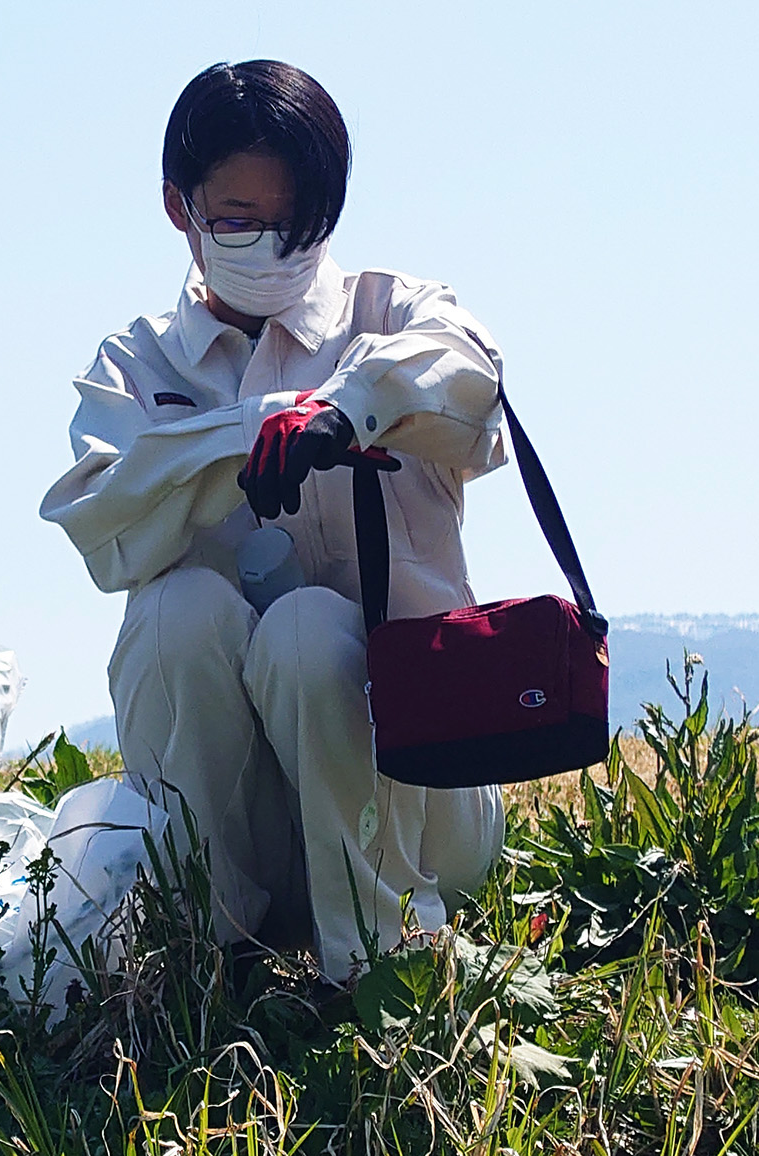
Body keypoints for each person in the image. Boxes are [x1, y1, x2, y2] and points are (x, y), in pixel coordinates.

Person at [40, 61, 507, 982]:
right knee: (176, 612)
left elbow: (471, 382)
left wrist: (347, 408)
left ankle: (381, 963)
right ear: (180, 209)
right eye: (239, 221)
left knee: (307, 632)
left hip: (417, 815)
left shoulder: (391, 313)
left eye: (297, 223)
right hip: (241, 827)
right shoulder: (136, 364)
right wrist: (245, 436)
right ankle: (203, 944)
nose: (272, 247)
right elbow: (100, 515)